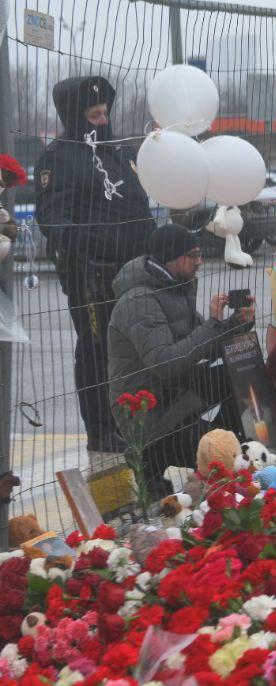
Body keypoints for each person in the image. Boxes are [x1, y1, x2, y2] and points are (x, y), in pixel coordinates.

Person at [36, 75, 156, 454]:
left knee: (134, 348)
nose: (102, 120)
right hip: (90, 272)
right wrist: (95, 240)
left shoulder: (120, 150)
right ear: (76, 115)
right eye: (93, 114)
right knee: (95, 348)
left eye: (105, 112)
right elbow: (53, 217)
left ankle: (137, 420)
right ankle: (101, 429)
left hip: (133, 266)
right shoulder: (59, 156)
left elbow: (138, 202)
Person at [106, 225, 252, 489]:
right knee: (224, 453)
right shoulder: (139, 302)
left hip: (177, 392)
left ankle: (220, 439)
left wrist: (234, 325)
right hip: (152, 414)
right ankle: (153, 454)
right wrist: (213, 325)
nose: (200, 262)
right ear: (170, 257)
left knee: (240, 374)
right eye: (193, 255)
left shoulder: (176, 286)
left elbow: (201, 344)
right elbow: (167, 363)